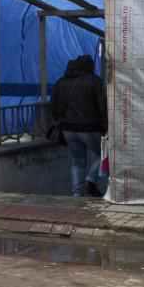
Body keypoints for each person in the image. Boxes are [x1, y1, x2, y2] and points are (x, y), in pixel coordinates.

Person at [51, 54, 107, 198]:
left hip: (68, 129)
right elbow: (102, 106)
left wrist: (59, 122)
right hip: (90, 128)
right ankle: (91, 179)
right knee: (104, 154)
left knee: (77, 162)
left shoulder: (60, 82)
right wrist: (106, 126)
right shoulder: (94, 81)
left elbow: (54, 105)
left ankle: (77, 194)